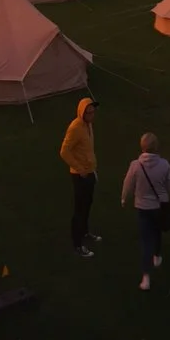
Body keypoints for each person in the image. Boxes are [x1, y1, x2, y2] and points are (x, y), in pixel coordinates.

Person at [122, 131, 170, 291]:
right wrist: (165, 193)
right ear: (156, 147)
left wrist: (124, 198)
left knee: (146, 241)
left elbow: (128, 183)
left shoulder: (136, 166)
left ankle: (146, 278)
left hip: (143, 208)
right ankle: (157, 256)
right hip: (160, 205)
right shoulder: (164, 164)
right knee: (157, 231)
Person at [60, 97, 102, 258]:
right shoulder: (75, 128)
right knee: (79, 209)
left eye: (93, 112)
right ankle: (77, 244)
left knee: (87, 204)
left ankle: (84, 232)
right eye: (89, 112)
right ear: (81, 113)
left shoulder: (88, 125)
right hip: (80, 175)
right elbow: (64, 151)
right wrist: (79, 168)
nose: (92, 115)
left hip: (89, 172)